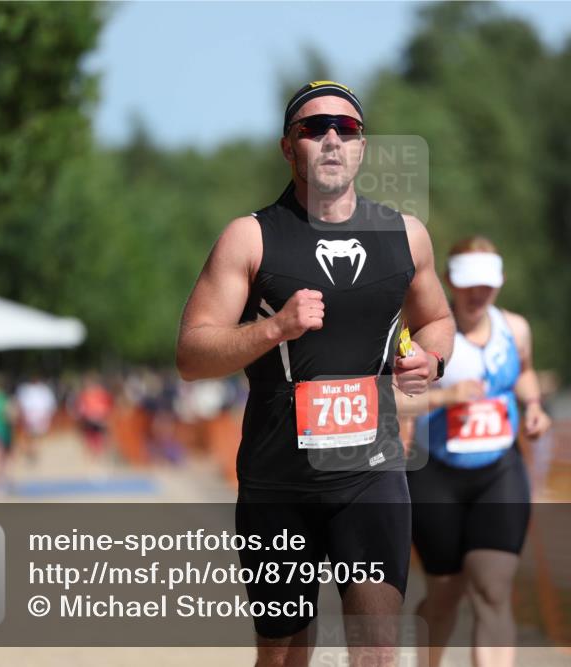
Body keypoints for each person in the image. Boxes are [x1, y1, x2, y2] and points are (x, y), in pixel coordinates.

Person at [176, 80, 455, 667]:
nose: (331, 138)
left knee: (378, 653)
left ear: (362, 148)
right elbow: (193, 355)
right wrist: (274, 328)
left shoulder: (405, 236)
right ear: (288, 147)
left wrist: (432, 359)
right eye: (313, 128)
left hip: (370, 477)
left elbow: (438, 320)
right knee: (283, 658)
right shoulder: (250, 237)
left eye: (346, 129)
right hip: (278, 485)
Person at [396, 236, 551, 667]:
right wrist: (447, 398)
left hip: (498, 470)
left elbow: (524, 372)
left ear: (498, 284)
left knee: (493, 590)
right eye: (468, 283)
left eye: (487, 283)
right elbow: (392, 398)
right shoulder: (422, 334)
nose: (478, 293)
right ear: (449, 280)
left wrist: (534, 407)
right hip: (436, 475)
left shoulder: (514, 329)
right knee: (445, 595)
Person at [16, 375, 57, 462]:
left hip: (39, 415)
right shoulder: (26, 389)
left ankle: (34, 451)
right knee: (30, 435)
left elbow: (49, 404)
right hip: (30, 415)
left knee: (36, 435)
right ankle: (31, 450)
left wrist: (46, 415)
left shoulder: (43, 390)